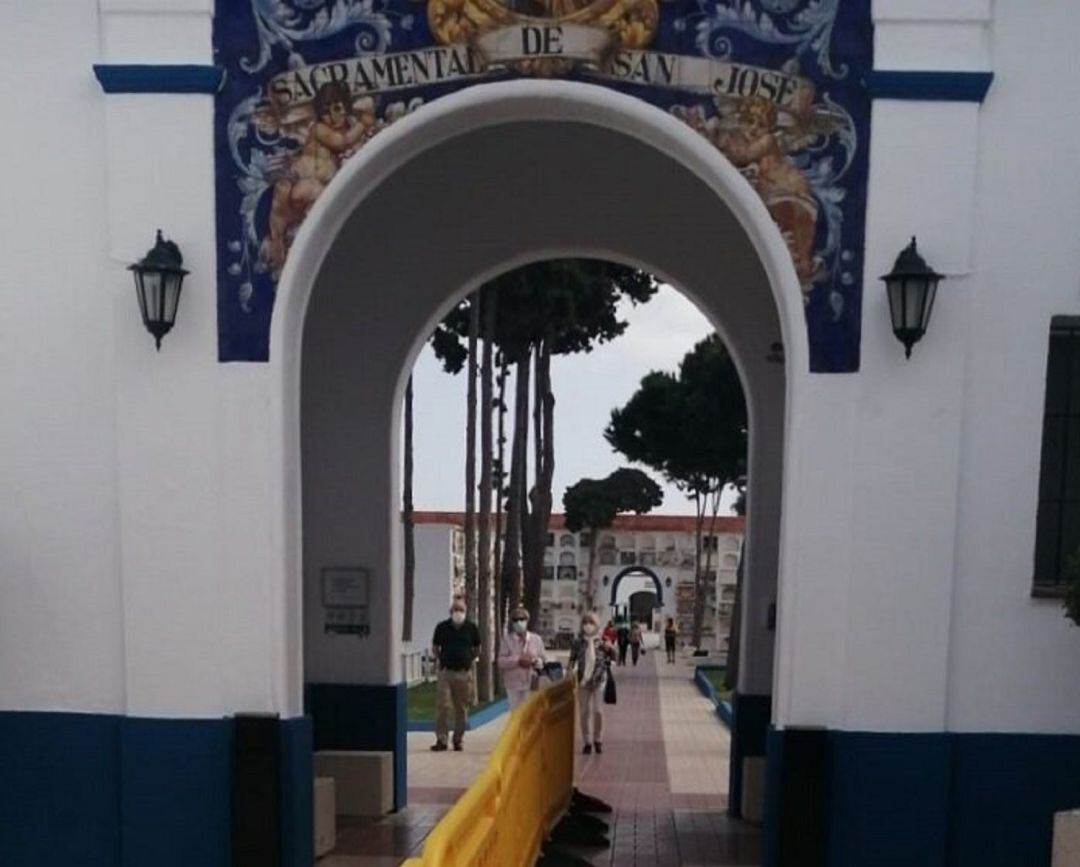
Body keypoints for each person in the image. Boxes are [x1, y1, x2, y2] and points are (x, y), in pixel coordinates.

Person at [430, 598, 480, 752]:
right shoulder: (442, 627)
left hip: (464, 674)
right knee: (443, 706)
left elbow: (477, 649)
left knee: (462, 709)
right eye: (455, 610)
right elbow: (435, 647)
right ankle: (441, 740)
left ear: (465, 612)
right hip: (446, 672)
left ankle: (458, 740)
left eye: (461, 610)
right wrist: (442, 658)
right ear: (450, 612)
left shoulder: (471, 628)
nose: (458, 613)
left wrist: (467, 660)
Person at [568, 612, 614, 755]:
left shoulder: (603, 640)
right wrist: (569, 672)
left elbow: (615, 656)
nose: (588, 625)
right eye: (585, 622)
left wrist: (610, 648)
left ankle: (598, 739)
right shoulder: (577, 642)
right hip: (583, 682)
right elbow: (572, 660)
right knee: (584, 712)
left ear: (596, 624)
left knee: (598, 711)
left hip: (599, 680)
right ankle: (587, 741)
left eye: (591, 622)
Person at [497, 606, 546, 710]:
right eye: (515, 620)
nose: (519, 622)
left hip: (531, 683)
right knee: (516, 714)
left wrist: (536, 661)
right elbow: (501, 662)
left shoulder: (536, 639)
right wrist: (518, 660)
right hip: (513, 684)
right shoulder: (507, 640)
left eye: (522, 619)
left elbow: (543, 659)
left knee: (530, 713)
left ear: (527, 621)